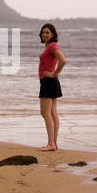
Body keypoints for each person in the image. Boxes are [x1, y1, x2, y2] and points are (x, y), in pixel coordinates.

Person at [38, 23, 66, 151]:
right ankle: (54, 143)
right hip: (52, 81)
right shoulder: (49, 47)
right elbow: (59, 62)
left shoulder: (52, 46)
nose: (44, 34)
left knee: (45, 113)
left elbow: (63, 60)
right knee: (53, 113)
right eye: (43, 32)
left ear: (53, 34)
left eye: (47, 32)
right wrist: (56, 74)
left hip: (48, 81)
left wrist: (54, 73)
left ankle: (51, 143)